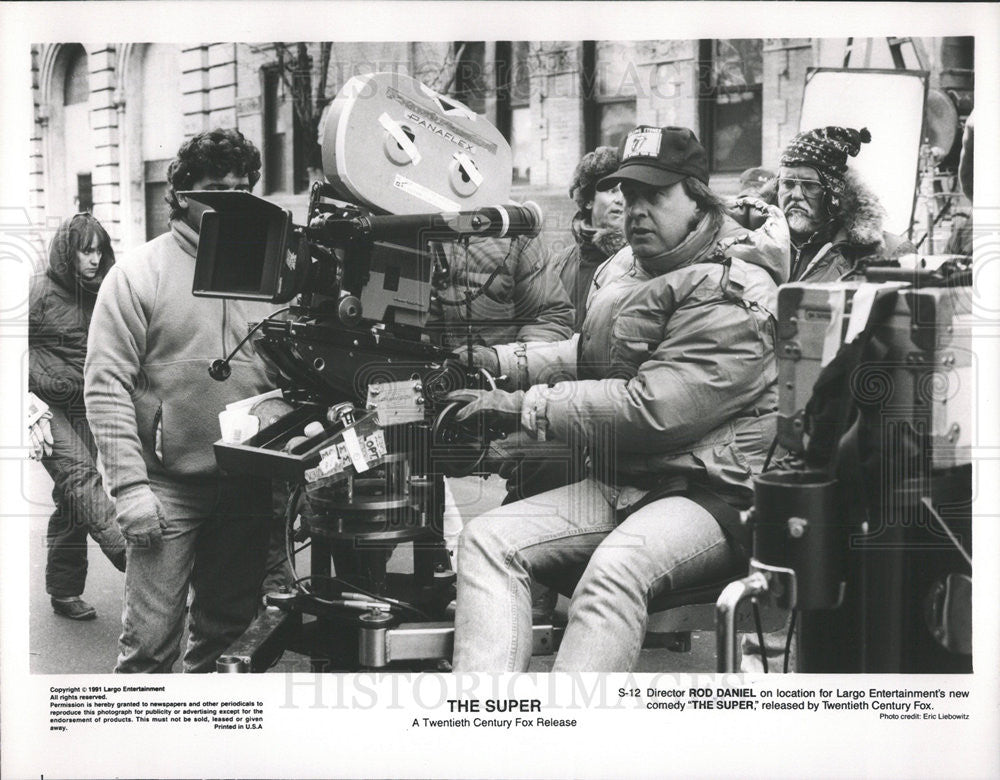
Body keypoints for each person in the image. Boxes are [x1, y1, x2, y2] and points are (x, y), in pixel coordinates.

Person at [447, 125, 789, 671]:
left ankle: (575, 744)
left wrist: (526, 405)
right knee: (487, 538)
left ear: (698, 198)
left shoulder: (734, 288)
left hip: (712, 489)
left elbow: (654, 409)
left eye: (654, 196)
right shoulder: (636, 268)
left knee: (614, 571)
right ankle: (486, 722)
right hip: (632, 480)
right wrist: (498, 364)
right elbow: (595, 354)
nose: (635, 211)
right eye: (628, 197)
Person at [85, 128, 277, 672]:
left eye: (243, 189)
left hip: (247, 484)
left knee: (229, 638)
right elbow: (105, 386)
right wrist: (129, 491)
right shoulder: (138, 274)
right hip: (166, 487)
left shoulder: (271, 273)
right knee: (149, 644)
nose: (232, 201)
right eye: (217, 188)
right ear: (183, 193)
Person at [29, 213, 127, 620]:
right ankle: (134, 558)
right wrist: (24, 402)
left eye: (99, 250)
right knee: (80, 478)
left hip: (82, 402)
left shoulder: (103, 290)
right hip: (43, 405)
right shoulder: (39, 290)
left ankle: (64, 590)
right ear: (68, 252)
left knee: (74, 500)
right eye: (86, 250)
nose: (94, 258)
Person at [756, 126, 914, 283]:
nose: (796, 195)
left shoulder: (888, 256)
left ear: (834, 194)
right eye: (788, 184)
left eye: (810, 185)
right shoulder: (750, 242)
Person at [552, 146, 627, 331]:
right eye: (612, 190)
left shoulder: (642, 262)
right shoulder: (557, 266)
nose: (621, 199)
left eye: (626, 191)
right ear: (588, 201)